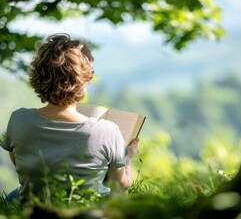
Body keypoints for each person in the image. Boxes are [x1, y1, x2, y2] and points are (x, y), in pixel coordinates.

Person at [0, 33, 139, 202]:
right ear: (85, 80)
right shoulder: (107, 130)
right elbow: (121, 185)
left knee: (15, 194)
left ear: (38, 76)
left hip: (33, 202)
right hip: (87, 208)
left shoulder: (18, 119)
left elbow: (20, 164)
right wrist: (128, 158)